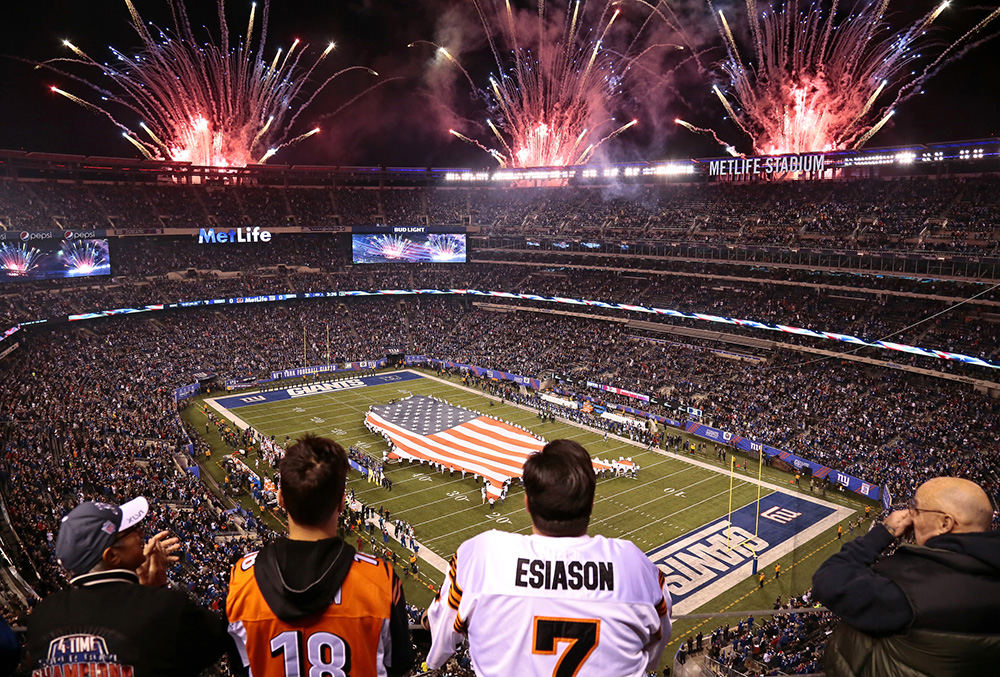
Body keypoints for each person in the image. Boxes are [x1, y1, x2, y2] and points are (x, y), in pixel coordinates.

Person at [424, 439, 671, 676]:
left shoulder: (483, 555)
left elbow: (442, 641)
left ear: (527, 503)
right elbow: (653, 650)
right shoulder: (633, 566)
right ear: (591, 504)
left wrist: (428, 625)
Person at [227, 435, 415, 677]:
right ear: (341, 504)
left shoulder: (242, 581)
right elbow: (398, 665)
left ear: (281, 500)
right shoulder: (380, 581)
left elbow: (239, 665)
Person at [26, 497, 235, 677]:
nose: (141, 532)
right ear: (112, 556)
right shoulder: (162, 607)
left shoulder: (42, 616)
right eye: (131, 530)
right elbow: (215, 642)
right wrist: (155, 590)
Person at [813, 477, 1000, 676]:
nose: (910, 516)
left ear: (945, 523)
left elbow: (828, 579)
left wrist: (884, 533)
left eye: (917, 510)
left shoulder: (911, 585)